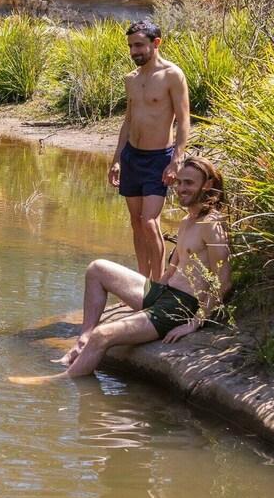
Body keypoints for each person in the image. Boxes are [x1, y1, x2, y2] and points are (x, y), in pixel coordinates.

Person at [56, 155, 229, 378]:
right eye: (179, 182)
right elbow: (172, 271)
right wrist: (149, 299)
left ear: (207, 185)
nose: (181, 188)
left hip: (180, 308)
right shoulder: (188, 221)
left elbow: (223, 281)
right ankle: (82, 340)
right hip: (164, 295)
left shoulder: (212, 224)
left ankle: (59, 381)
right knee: (97, 268)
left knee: (103, 335)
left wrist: (195, 323)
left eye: (189, 183)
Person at [107, 23, 191, 282]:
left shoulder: (172, 75)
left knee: (149, 221)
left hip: (159, 158)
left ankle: (157, 284)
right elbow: (128, 121)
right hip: (132, 157)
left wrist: (177, 159)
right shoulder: (131, 79)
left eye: (139, 45)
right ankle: (142, 282)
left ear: (156, 43)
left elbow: (184, 119)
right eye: (131, 46)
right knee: (135, 222)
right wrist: (117, 159)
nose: (134, 51)